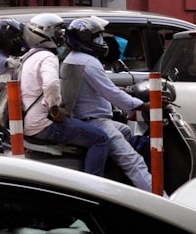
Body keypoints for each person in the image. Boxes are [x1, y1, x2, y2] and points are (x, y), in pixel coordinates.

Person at [63, 16, 152, 191]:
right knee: (134, 161)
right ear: (85, 40)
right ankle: (160, 199)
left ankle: (118, 183)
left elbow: (100, 88)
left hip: (83, 118)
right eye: (97, 38)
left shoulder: (72, 59)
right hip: (95, 122)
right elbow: (111, 93)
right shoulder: (89, 62)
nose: (101, 42)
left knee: (125, 130)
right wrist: (143, 105)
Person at [19, 13, 109, 176]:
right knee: (100, 139)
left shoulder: (29, 56)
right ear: (44, 34)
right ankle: (96, 187)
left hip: (28, 122)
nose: (61, 36)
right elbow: (51, 83)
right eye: (57, 32)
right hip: (43, 125)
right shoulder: (48, 57)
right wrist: (55, 108)